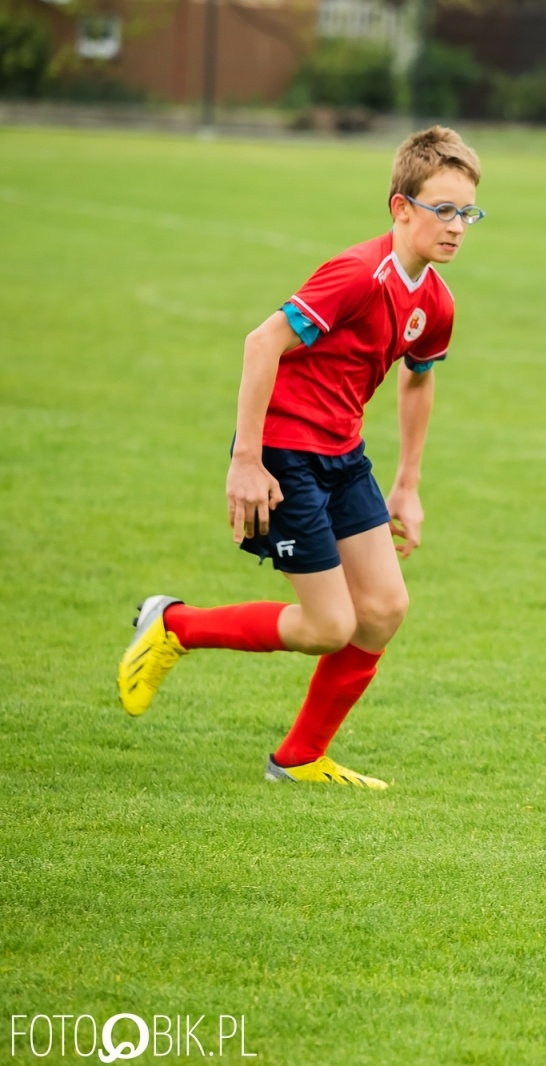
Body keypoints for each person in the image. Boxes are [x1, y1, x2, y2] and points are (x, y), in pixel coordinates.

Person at [115, 127, 486, 789]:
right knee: (328, 625)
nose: (458, 226)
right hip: (284, 454)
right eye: (444, 210)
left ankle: (299, 759)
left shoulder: (436, 301)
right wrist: (246, 461)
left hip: (343, 454)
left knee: (383, 609)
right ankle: (173, 625)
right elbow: (262, 343)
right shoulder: (358, 274)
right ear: (401, 208)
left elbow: (418, 379)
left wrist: (407, 483)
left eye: (468, 212)